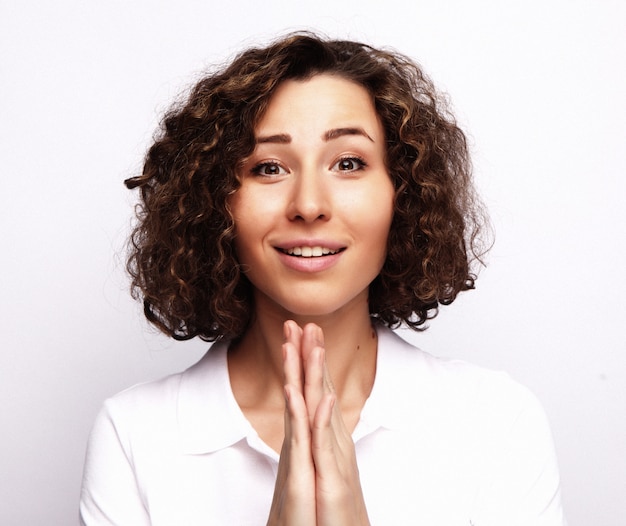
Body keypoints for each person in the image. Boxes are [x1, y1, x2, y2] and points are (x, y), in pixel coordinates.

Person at [80, 33, 566, 525]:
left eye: (348, 163)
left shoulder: (498, 422)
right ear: (214, 202)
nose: (309, 205)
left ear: (403, 193)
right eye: (268, 168)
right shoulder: (135, 435)